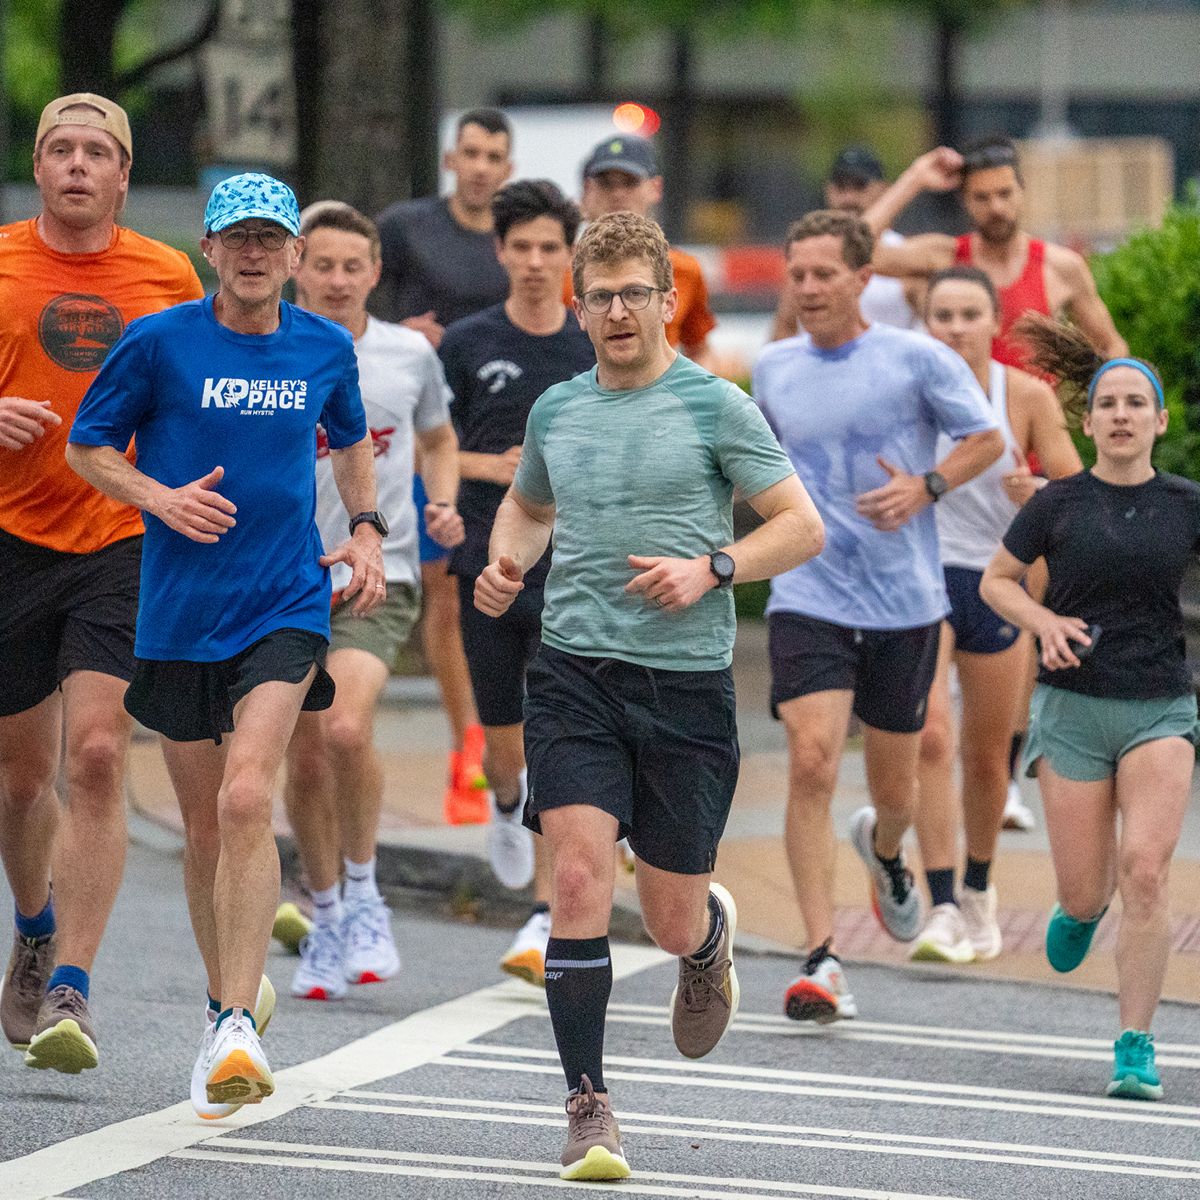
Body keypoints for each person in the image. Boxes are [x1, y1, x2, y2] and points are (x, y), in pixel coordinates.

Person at [476, 211, 822, 1180]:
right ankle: (588, 1104)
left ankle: (705, 937)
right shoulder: (558, 410)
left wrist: (714, 566)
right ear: (579, 309)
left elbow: (800, 527)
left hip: (687, 687)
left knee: (666, 918)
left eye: (636, 292)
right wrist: (508, 561)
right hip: (576, 675)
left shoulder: (717, 406)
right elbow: (530, 505)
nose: (618, 310)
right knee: (579, 879)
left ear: (669, 301)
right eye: (602, 296)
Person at [66, 173, 383, 1119]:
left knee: (251, 793)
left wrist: (365, 529)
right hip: (176, 613)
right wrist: (159, 498)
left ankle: (239, 1022)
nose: (254, 253)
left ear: (292, 253)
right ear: (210, 248)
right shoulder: (158, 341)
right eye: (237, 237)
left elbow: (354, 437)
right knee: (207, 828)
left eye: (270, 238)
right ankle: (223, 1006)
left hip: (285, 601)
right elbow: (90, 447)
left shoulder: (324, 346)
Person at [752, 211, 1003, 1023]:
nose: (809, 287)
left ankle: (887, 851)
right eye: (798, 273)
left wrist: (924, 487)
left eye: (825, 273)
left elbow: (986, 438)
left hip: (903, 603)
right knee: (813, 759)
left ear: (864, 279)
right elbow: (761, 469)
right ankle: (821, 956)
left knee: (894, 791)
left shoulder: (917, 357)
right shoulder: (774, 369)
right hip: (808, 593)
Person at [0, 93, 203, 1074]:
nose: (77, 165)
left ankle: (71, 982)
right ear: (38, 167)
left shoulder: (165, 276)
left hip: (121, 536)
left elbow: (199, 399)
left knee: (94, 753)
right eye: (59, 149)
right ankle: (35, 923)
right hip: (9, 540)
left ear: (123, 175)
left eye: (97, 152)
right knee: (22, 776)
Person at [980, 316, 1198, 1102]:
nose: (1121, 414)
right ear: (1088, 419)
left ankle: (1135, 1044)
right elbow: (996, 582)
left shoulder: (1187, 504)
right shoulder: (1057, 503)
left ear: (1159, 420)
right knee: (1084, 893)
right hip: (1070, 708)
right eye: (1109, 403)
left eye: (1137, 403)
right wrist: (1042, 624)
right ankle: (1078, 911)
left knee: (1145, 871)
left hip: (1159, 708)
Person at [281, 201, 463, 1001]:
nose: (338, 279)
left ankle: (364, 894)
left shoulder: (406, 356)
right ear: (298, 267)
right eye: (323, 264)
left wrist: (444, 502)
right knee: (305, 752)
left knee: (345, 727)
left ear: (375, 273)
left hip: (373, 571)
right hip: (279, 578)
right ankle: (323, 914)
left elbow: (439, 438)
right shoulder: (264, 351)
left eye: (353, 266)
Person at [440, 180, 595, 986]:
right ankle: (504, 803)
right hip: (484, 560)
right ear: (499, 252)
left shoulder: (588, 344)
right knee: (506, 744)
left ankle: (543, 907)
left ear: (569, 253)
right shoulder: (466, 343)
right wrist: (484, 467)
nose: (536, 262)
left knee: (552, 735)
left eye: (549, 247)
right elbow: (431, 446)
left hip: (571, 569)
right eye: (521, 247)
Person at [909, 266, 1081, 964]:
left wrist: (1035, 493)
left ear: (992, 323)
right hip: (921, 580)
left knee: (986, 758)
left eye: (967, 314)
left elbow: (1078, 493)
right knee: (929, 739)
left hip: (996, 581)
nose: (954, 328)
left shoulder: (1028, 397)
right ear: (926, 325)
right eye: (941, 315)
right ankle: (941, 903)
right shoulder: (908, 394)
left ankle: (979, 893)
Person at [373, 109, 516, 822]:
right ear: (450, 159)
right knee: (448, 592)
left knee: (514, 587)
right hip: (428, 431)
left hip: (501, 430)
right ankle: (469, 747)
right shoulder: (405, 228)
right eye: (471, 153)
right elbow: (357, 313)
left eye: (495, 154)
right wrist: (402, 334)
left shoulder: (515, 235)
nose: (482, 165)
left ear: (508, 168)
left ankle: (509, 738)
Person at [861, 135, 1127, 366]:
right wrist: (915, 178)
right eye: (982, 197)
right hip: (961, 420)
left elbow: (1111, 347)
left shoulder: (1061, 267)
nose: (996, 208)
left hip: (1034, 420)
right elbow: (856, 252)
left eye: (1004, 193)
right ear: (964, 201)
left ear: (1022, 191)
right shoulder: (945, 257)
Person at [567, 135, 716, 363]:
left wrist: (698, 394)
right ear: (587, 189)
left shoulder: (684, 269)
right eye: (606, 183)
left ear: (655, 188)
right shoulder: (557, 267)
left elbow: (700, 350)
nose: (617, 193)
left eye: (630, 182)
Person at [770, 146, 919, 339]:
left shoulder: (908, 253)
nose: (848, 198)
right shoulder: (808, 254)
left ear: (884, 189)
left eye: (860, 186)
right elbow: (787, 323)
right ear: (827, 190)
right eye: (840, 187)